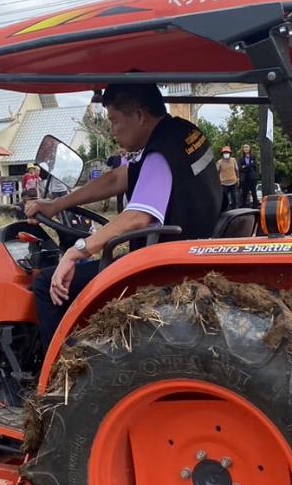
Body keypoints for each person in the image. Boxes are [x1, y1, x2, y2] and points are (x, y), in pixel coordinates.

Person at [25, 82, 221, 350]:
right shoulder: (183, 133)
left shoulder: (159, 156)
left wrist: (75, 252)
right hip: (187, 253)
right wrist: (56, 204)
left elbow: (138, 217)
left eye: (114, 120)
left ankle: (59, 378)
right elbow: (118, 178)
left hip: (161, 269)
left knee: (46, 284)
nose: (112, 130)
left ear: (139, 116)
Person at [217, 145, 240, 209]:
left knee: (234, 197)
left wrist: (238, 179)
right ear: (222, 154)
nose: (226, 154)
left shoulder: (233, 160)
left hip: (233, 181)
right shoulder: (219, 162)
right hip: (223, 183)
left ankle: (235, 209)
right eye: (225, 153)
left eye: (227, 152)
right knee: (225, 198)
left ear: (230, 153)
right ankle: (225, 210)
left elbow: (237, 170)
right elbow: (217, 172)